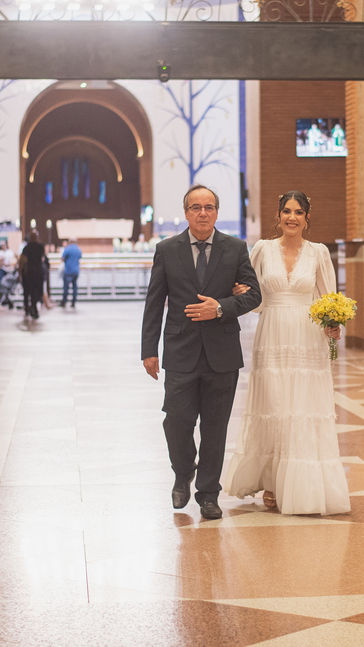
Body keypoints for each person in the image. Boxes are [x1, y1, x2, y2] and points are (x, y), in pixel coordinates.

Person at [223, 190, 350, 516]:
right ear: (278, 216)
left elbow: (327, 299)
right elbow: (255, 298)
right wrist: (241, 292)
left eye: (298, 212)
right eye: (286, 211)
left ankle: (303, 484)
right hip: (273, 332)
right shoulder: (263, 250)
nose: (292, 217)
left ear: (307, 218)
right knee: (275, 406)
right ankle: (272, 481)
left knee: (302, 407)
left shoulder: (319, 253)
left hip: (308, 337)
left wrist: (333, 329)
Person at [141, 184, 262, 520]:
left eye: (209, 207)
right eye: (196, 207)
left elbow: (254, 296)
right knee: (176, 420)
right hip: (180, 350)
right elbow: (155, 302)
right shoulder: (167, 249)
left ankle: (208, 494)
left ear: (217, 212)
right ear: (186, 212)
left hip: (221, 353)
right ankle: (183, 470)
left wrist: (220, 307)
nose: (203, 213)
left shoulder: (235, 248)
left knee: (215, 427)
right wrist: (148, 349)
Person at [18, 230, 46, 320]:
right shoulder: (40, 247)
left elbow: (22, 260)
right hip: (37, 272)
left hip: (29, 272)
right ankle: (33, 308)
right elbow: (43, 256)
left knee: (27, 291)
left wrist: (19, 272)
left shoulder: (26, 248)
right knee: (36, 291)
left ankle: (28, 308)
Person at [60, 237, 82, 307]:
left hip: (68, 270)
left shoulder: (67, 249)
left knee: (66, 287)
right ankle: (73, 302)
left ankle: (64, 301)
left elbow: (62, 258)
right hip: (76, 271)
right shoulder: (79, 249)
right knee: (74, 287)